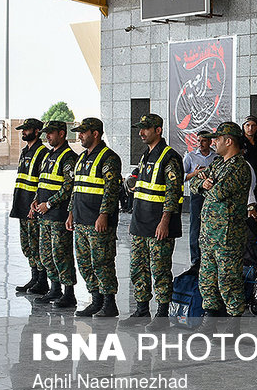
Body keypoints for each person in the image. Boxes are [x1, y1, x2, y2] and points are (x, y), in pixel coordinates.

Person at [191, 122, 252, 331]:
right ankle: (210, 320)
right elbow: (193, 183)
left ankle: (234, 324)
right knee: (206, 278)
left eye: (217, 138)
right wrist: (203, 182)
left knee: (228, 280)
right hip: (208, 234)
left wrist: (207, 184)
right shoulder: (217, 164)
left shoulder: (239, 167)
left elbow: (218, 193)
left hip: (227, 236)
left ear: (229, 141)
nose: (213, 142)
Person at [125, 114, 184, 326]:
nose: (141, 132)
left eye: (146, 129)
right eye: (140, 128)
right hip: (140, 222)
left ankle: (162, 314)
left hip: (159, 224)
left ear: (158, 130)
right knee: (137, 268)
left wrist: (165, 221)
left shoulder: (169, 157)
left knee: (159, 270)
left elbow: (173, 192)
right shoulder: (146, 155)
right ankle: (141, 310)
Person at [67, 118, 123, 318]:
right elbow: (76, 188)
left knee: (102, 262)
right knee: (85, 263)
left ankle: (109, 303)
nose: (80, 135)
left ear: (95, 134)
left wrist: (104, 215)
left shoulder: (109, 158)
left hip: (98, 223)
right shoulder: (82, 158)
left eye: (83, 132)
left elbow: (111, 191)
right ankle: (96, 300)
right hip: (81, 220)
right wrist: (71, 212)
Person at [31, 120, 78, 308]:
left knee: (61, 255)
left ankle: (69, 292)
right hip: (44, 215)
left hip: (58, 215)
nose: (47, 136)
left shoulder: (68, 157)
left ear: (62, 134)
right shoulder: (49, 155)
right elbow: (42, 181)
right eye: (46, 133)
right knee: (46, 254)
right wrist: (36, 198)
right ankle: (54, 288)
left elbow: (69, 186)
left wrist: (49, 204)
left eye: (51, 133)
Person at [11, 118, 50, 295]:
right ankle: (34, 277)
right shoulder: (25, 151)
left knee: (36, 245)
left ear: (36, 131)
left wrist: (34, 204)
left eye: (26, 130)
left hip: (32, 207)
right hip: (21, 204)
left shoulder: (42, 152)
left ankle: (42, 281)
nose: (23, 132)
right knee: (27, 245)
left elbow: (41, 183)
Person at [183, 134, 217, 267]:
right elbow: (182, 176)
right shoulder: (190, 156)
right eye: (199, 141)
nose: (201, 143)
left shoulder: (216, 157)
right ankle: (195, 259)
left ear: (210, 142)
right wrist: (196, 174)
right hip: (197, 195)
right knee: (195, 226)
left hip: (212, 195)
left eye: (204, 141)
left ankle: (210, 258)